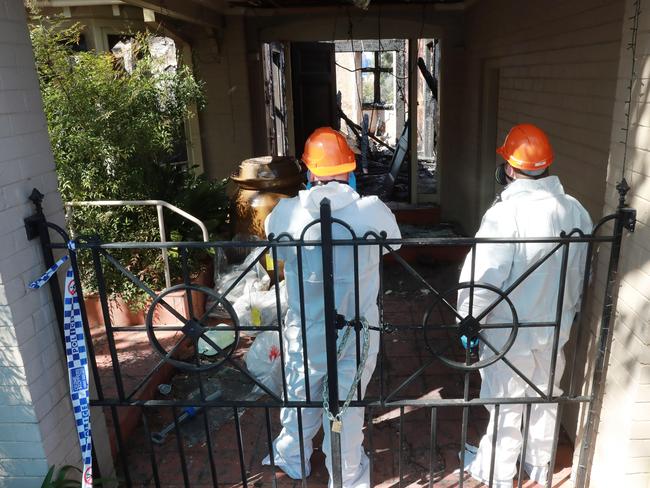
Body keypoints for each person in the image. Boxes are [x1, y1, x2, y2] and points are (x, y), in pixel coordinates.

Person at [262, 127, 401, 487]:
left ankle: (294, 460)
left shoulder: (287, 213)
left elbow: (273, 253)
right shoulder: (371, 211)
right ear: (350, 169)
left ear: (309, 173)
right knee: (346, 408)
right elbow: (395, 245)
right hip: (356, 332)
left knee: (302, 397)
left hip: (306, 332)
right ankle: (346, 473)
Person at [457, 124, 592, 487]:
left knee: (505, 403)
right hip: (553, 327)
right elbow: (581, 270)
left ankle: (497, 473)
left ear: (510, 169)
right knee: (545, 398)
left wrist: (469, 318)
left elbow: (483, 275)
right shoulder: (575, 210)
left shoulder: (505, 214)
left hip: (509, 330)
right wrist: (570, 311)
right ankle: (540, 466)